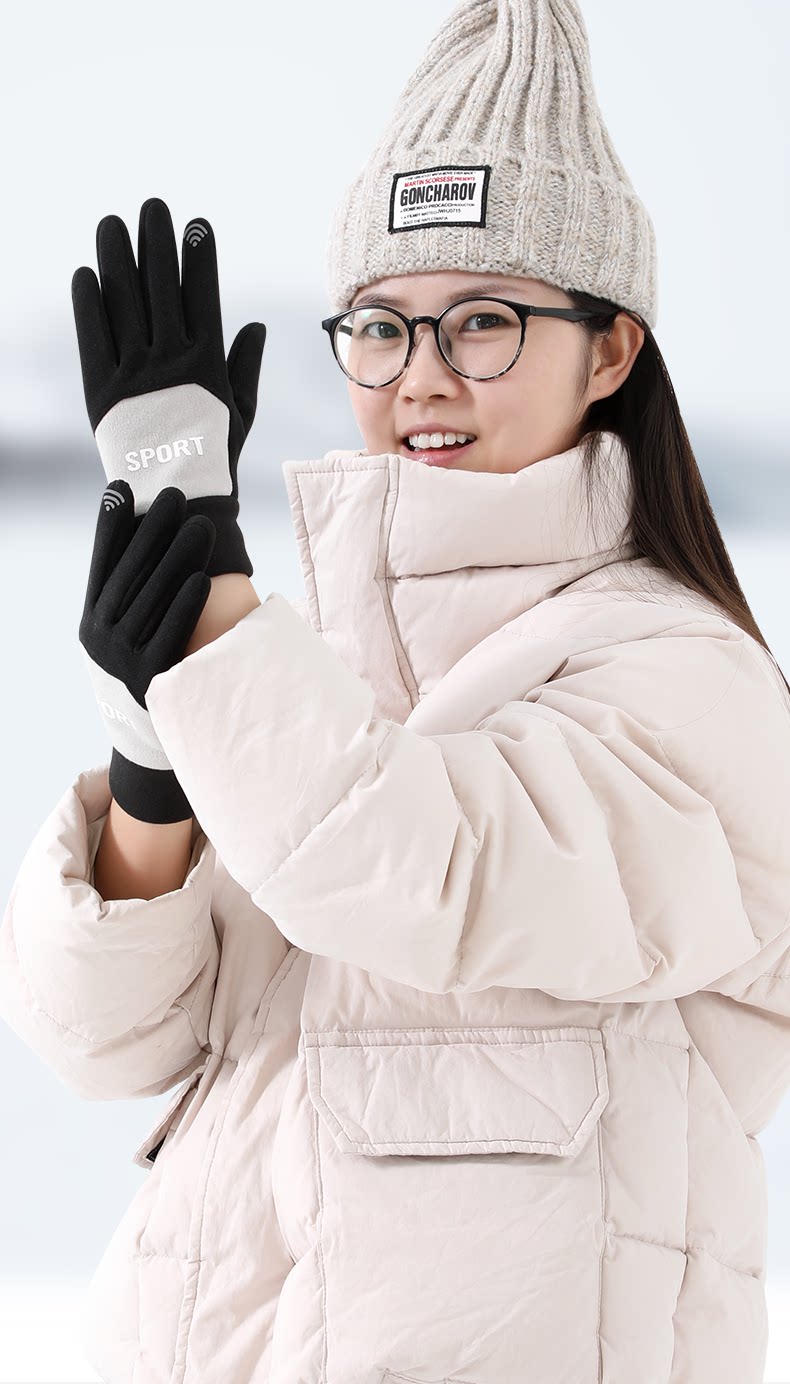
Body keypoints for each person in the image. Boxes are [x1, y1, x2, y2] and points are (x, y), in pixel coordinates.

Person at [2, 1, 790, 1381]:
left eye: (482, 324)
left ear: (611, 352)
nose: (420, 380)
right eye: (378, 328)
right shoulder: (305, 687)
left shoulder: (691, 680)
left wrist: (214, 625)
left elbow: (425, 867)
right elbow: (108, 1043)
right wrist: (151, 761)